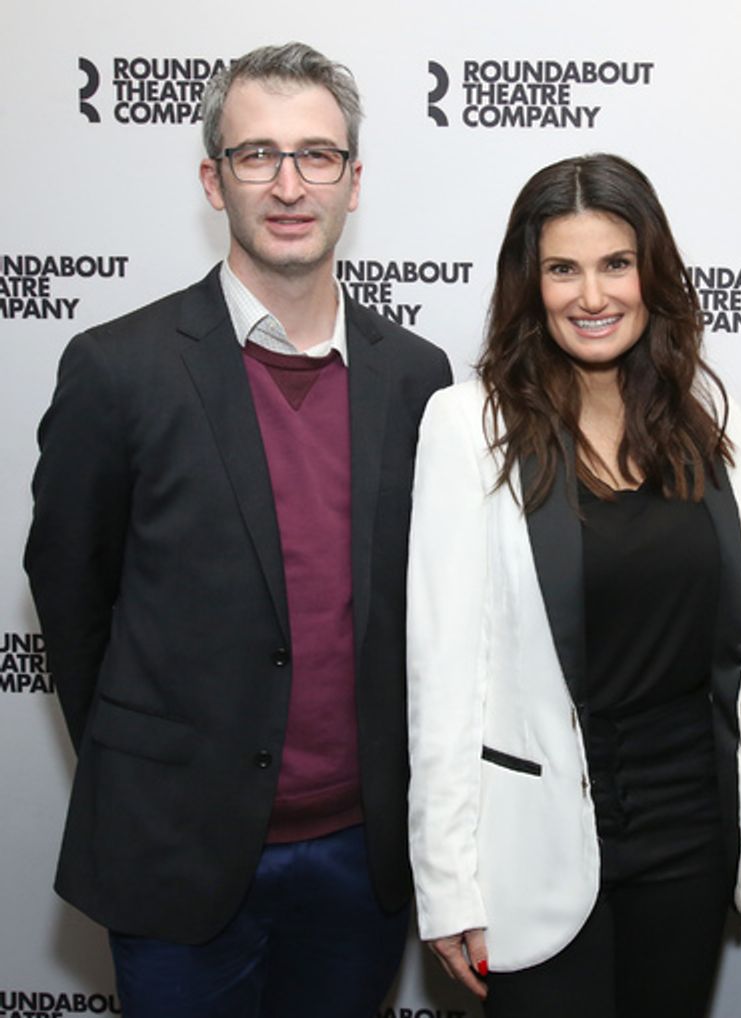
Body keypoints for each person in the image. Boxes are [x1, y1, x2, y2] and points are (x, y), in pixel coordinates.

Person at [24, 42, 451, 1018]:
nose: (289, 184)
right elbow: (71, 594)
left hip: (361, 858)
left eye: (317, 156)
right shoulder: (118, 367)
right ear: (214, 179)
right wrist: (160, 768)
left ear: (354, 181)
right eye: (258, 155)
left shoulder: (417, 376)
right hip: (176, 850)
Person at [406, 153, 741, 1018]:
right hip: (537, 849)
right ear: (531, 283)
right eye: (563, 268)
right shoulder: (468, 424)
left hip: (691, 834)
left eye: (615, 265)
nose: (592, 296)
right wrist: (448, 884)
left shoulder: (711, 420)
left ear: (652, 275)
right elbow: (442, 676)